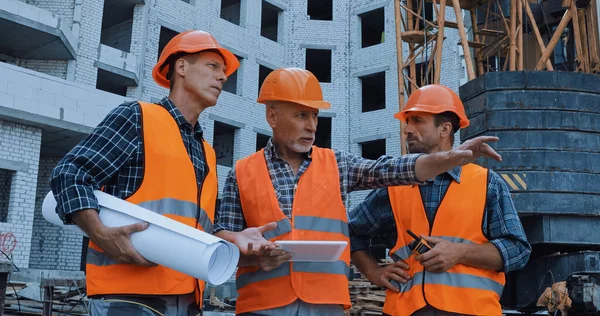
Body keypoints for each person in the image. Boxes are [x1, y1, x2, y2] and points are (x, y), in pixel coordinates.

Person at [214, 68, 505, 316]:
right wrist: (253, 258)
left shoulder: (336, 165)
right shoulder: (241, 173)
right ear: (272, 116)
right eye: (301, 115)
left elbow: (390, 169)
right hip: (262, 306)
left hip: (325, 305)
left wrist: (449, 158)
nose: (311, 126)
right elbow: (221, 248)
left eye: (315, 116)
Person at [50, 30, 241, 315]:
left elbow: (196, 224)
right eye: (213, 66)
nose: (223, 77)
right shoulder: (137, 117)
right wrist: (100, 233)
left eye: (224, 71)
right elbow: (69, 174)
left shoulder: (206, 152)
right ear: (182, 67)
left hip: (188, 299)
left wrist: (238, 239)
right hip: (126, 299)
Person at [348, 84, 532, 316]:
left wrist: (459, 253)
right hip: (406, 311)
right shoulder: (394, 186)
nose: (407, 129)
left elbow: (518, 250)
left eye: (417, 121)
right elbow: (349, 229)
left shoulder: (487, 183)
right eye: (407, 121)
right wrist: (374, 272)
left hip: (471, 310)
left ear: (445, 129)